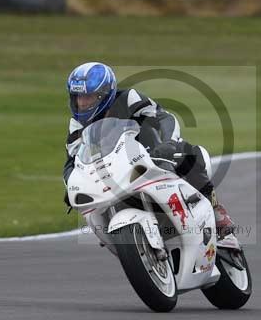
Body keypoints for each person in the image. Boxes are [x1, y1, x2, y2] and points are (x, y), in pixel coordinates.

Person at [62, 61, 238, 247]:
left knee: (189, 153)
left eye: (88, 97)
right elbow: (72, 161)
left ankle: (216, 210)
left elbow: (164, 117)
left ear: (103, 94)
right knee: (91, 206)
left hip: (150, 155)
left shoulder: (128, 98)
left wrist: (169, 143)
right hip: (114, 172)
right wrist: (72, 184)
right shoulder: (77, 124)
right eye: (77, 97)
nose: (81, 103)